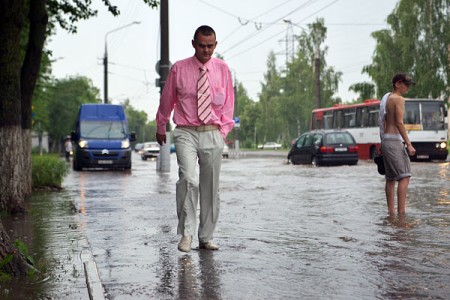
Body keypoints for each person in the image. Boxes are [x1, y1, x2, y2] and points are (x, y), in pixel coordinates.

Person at [155, 25, 234, 252]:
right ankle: (187, 234)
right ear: (193, 44)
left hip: (212, 132)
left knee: (210, 187)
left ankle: (206, 236)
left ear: (215, 45)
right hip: (186, 131)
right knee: (189, 180)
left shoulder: (222, 69)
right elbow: (167, 99)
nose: (206, 50)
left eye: (210, 46)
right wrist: (161, 125)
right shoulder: (179, 69)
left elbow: (228, 104)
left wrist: (222, 133)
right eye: (202, 46)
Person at [379, 73, 416, 217]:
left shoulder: (387, 99)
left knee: (390, 178)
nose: (408, 88)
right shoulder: (399, 99)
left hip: (386, 140)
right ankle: (401, 215)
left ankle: (391, 214)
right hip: (394, 140)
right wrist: (409, 143)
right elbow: (399, 123)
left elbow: (383, 121)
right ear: (397, 83)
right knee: (404, 176)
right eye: (406, 84)